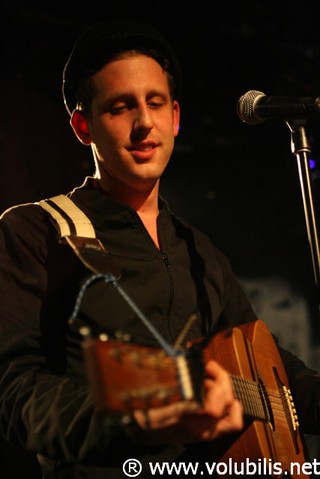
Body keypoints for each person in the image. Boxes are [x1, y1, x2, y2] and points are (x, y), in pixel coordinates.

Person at [0, 18, 319, 479]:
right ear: (83, 126)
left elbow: (272, 369)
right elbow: (14, 390)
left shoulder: (198, 249)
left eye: (155, 103)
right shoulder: (35, 232)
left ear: (176, 117)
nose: (144, 123)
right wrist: (134, 425)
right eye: (120, 107)